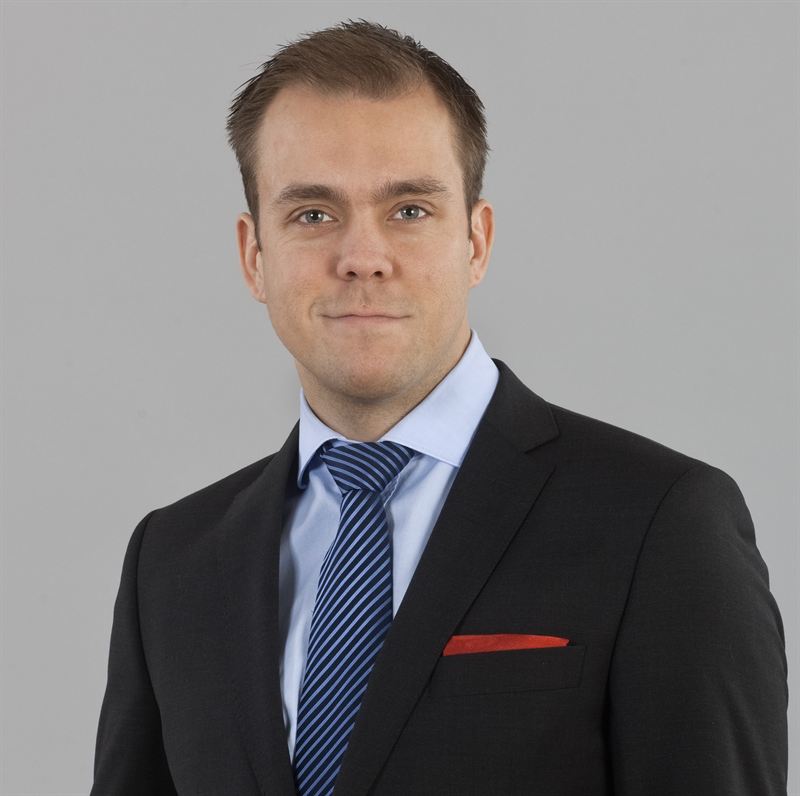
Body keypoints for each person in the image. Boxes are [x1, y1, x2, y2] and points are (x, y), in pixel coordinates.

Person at [90, 19, 788, 796]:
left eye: (409, 210)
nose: (363, 258)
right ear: (255, 256)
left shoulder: (661, 525)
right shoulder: (174, 562)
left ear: (476, 242)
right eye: (313, 214)